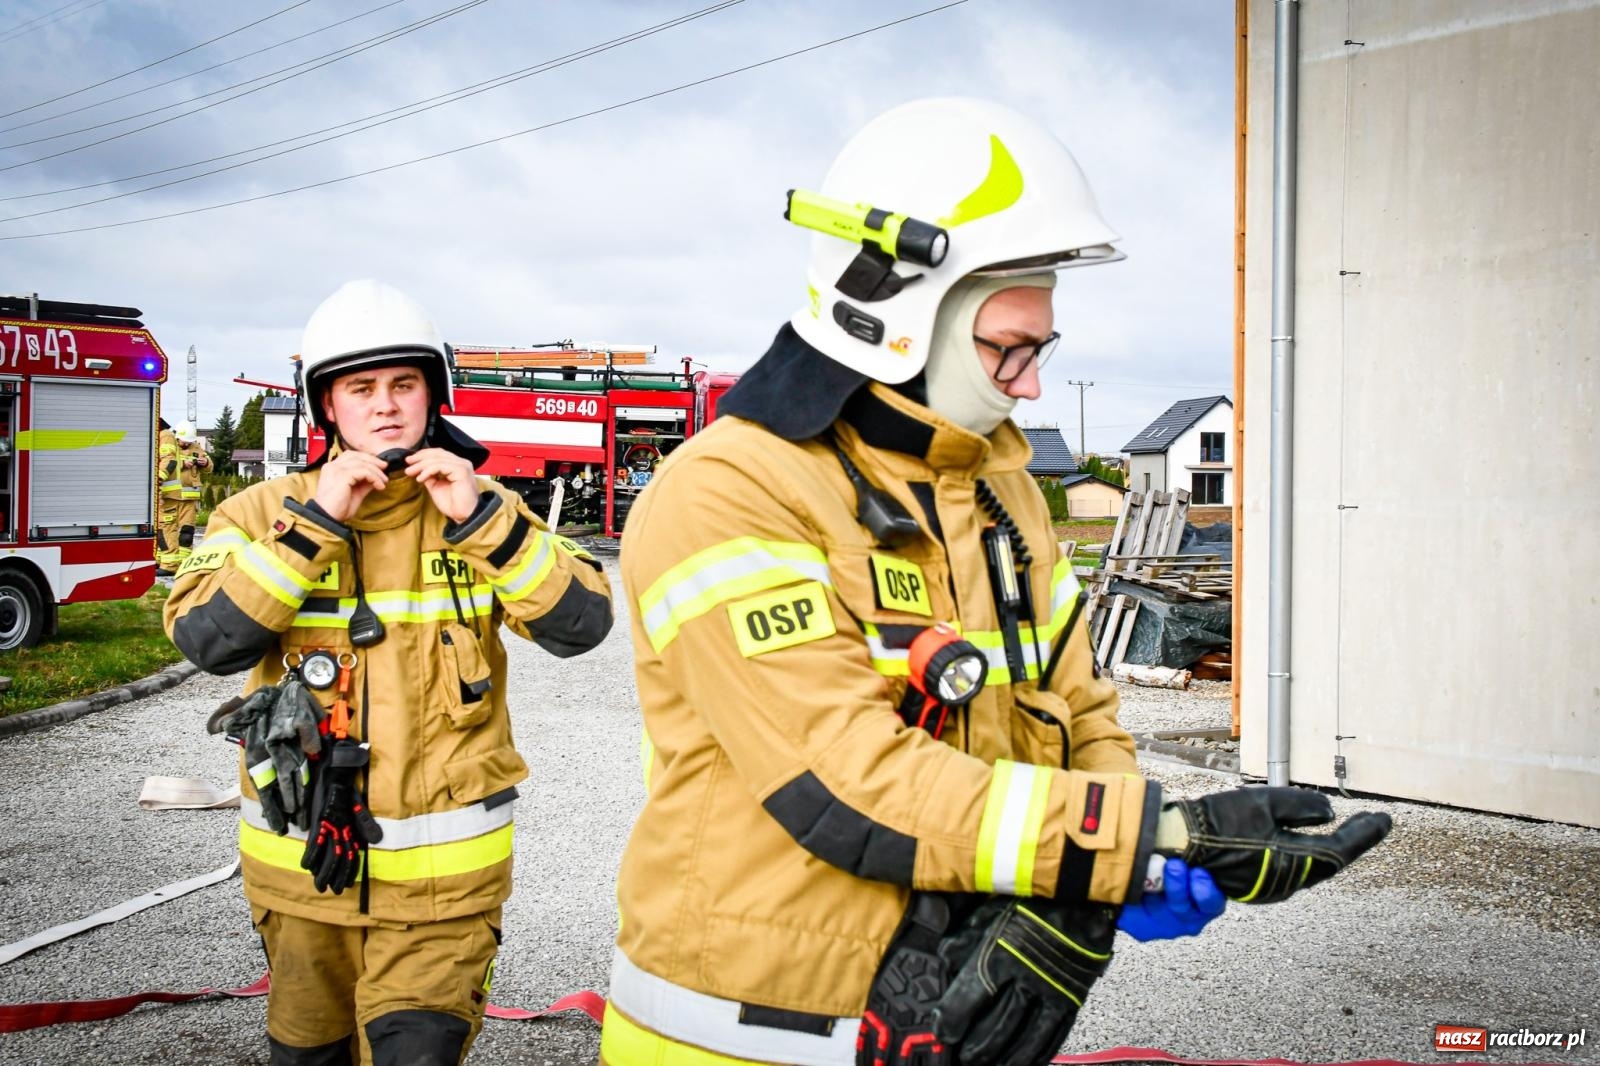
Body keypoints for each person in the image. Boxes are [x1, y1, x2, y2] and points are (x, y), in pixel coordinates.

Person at [604, 98, 1390, 1066]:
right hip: (743, 1026)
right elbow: (848, 785)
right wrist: (1154, 832)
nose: (1028, 386)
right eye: (1004, 348)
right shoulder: (730, 489)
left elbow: (1079, 707)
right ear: (891, 315)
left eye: (1038, 349)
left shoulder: (1001, 487)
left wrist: (1129, 856)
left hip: (949, 1013)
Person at [164, 280, 614, 1066]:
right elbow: (211, 641)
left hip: (445, 899)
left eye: (404, 385)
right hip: (300, 889)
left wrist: (481, 521)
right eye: (361, 388)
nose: (385, 406)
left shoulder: (484, 506)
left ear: (431, 396)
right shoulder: (259, 514)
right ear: (326, 408)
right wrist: (315, 527)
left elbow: (584, 624)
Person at [154, 417, 182, 574]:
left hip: (167, 492)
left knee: (166, 527)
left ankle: (170, 566)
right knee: (159, 528)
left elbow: (169, 461)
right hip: (162, 491)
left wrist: (157, 478)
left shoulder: (165, 435)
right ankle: (160, 560)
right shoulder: (161, 435)